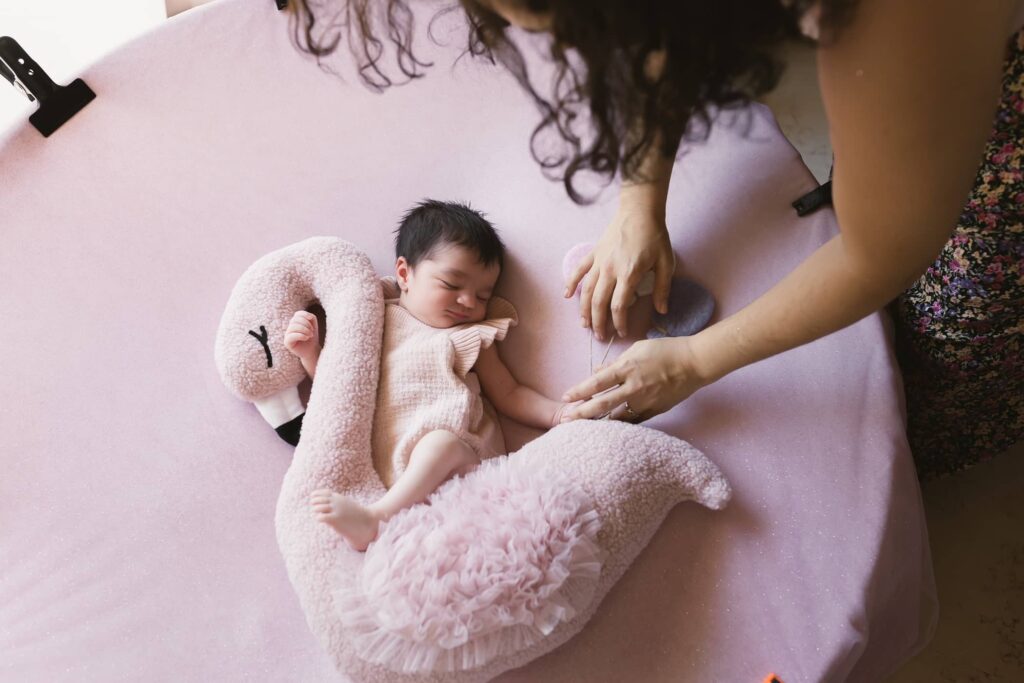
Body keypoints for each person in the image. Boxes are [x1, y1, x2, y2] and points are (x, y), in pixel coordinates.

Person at [287, 0, 1023, 478]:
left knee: (959, 331)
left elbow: (884, 248)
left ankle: (922, 453)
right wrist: (640, 200)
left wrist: (699, 359)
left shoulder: (911, 18)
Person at [286, 200, 570, 550]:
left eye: (483, 295)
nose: (468, 302)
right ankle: (385, 518)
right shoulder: (374, 320)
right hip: (395, 473)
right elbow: (341, 389)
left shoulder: (470, 335)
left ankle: (375, 522)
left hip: (464, 464)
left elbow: (509, 393)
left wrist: (558, 413)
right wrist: (311, 353)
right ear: (405, 274)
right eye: (452, 284)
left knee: (440, 443)